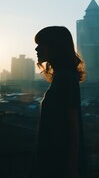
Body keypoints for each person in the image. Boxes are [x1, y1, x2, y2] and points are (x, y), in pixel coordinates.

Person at [30, 26, 87, 178]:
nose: (36, 48)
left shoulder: (65, 78)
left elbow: (72, 125)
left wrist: (71, 168)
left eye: (41, 43)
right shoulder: (62, 77)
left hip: (58, 166)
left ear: (55, 47)